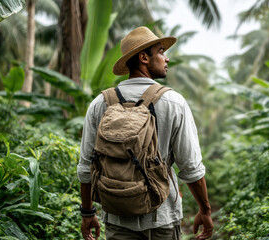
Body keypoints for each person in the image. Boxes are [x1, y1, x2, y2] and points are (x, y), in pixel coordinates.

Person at [77, 26, 213, 240]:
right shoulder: (173, 102)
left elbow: (86, 167)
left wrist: (87, 213)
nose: (166, 59)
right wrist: (204, 210)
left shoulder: (100, 103)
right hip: (162, 217)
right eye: (161, 51)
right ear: (143, 57)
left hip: (117, 218)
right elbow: (192, 167)